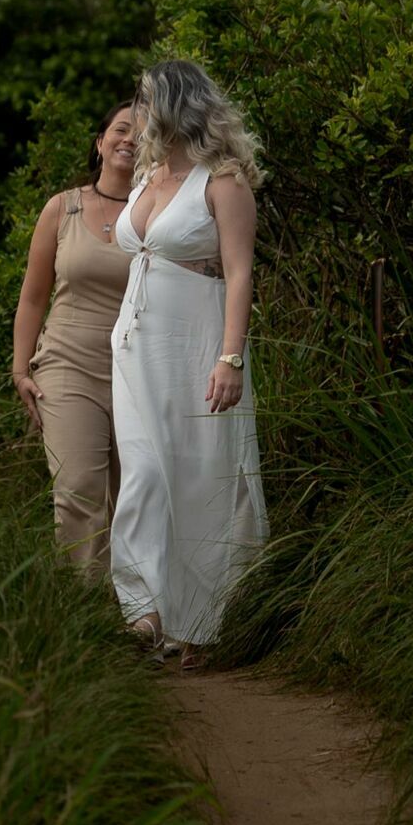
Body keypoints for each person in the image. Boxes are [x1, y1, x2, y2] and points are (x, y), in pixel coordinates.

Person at [109, 60, 268, 669]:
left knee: (201, 477)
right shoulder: (148, 176)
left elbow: (239, 272)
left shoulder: (222, 181)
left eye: (145, 103)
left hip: (197, 344)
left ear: (176, 107)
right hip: (133, 346)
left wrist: (230, 357)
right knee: (145, 472)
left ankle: (204, 624)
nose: (138, 115)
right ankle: (144, 609)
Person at [12, 101, 139, 571]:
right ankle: (86, 620)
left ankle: (137, 613)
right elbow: (32, 297)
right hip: (66, 367)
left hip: (136, 373)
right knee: (79, 491)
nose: (130, 139)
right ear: (100, 142)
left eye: (143, 134)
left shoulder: (157, 215)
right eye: (121, 129)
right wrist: (19, 369)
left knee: (133, 497)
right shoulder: (62, 208)